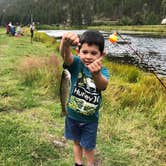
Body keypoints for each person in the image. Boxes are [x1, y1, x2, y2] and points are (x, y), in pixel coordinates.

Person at [60, 30, 109, 166]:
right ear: (78, 51)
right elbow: (65, 56)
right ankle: (78, 163)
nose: (88, 56)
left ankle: (90, 164)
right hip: (72, 116)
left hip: (90, 120)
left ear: (102, 54)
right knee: (76, 142)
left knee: (88, 146)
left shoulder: (103, 71)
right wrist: (64, 43)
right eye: (85, 52)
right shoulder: (76, 64)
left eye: (93, 53)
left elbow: (102, 85)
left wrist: (96, 74)